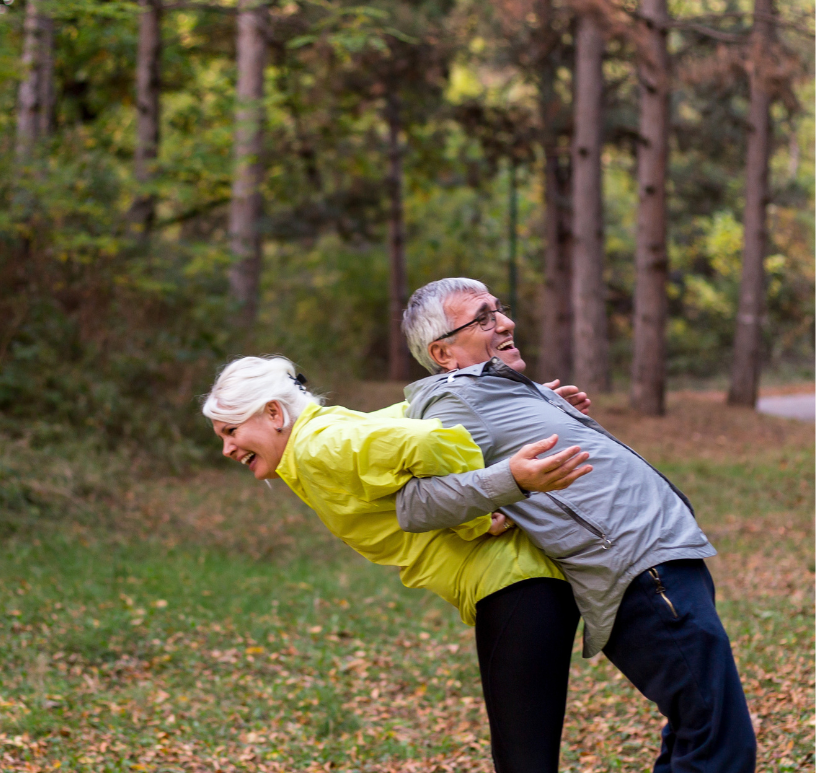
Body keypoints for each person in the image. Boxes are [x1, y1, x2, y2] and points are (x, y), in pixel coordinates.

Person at [394, 277, 756, 773]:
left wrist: (541, 405)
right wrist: (511, 480)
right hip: (639, 573)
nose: (505, 322)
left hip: (661, 559)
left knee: (699, 726)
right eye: (482, 318)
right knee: (719, 742)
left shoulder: (492, 392)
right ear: (444, 353)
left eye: (499, 309)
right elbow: (415, 504)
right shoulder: (452, 400)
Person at [203, 355, 593, 773]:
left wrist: (480, 516)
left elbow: (430, 442)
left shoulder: (319, 447)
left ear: (274, 413)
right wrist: (514, 410)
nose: (226, 448)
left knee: (523, 762)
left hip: (514, 584)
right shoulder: (323, 436)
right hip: (520, 586)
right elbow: (414, 414)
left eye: (231, 430)